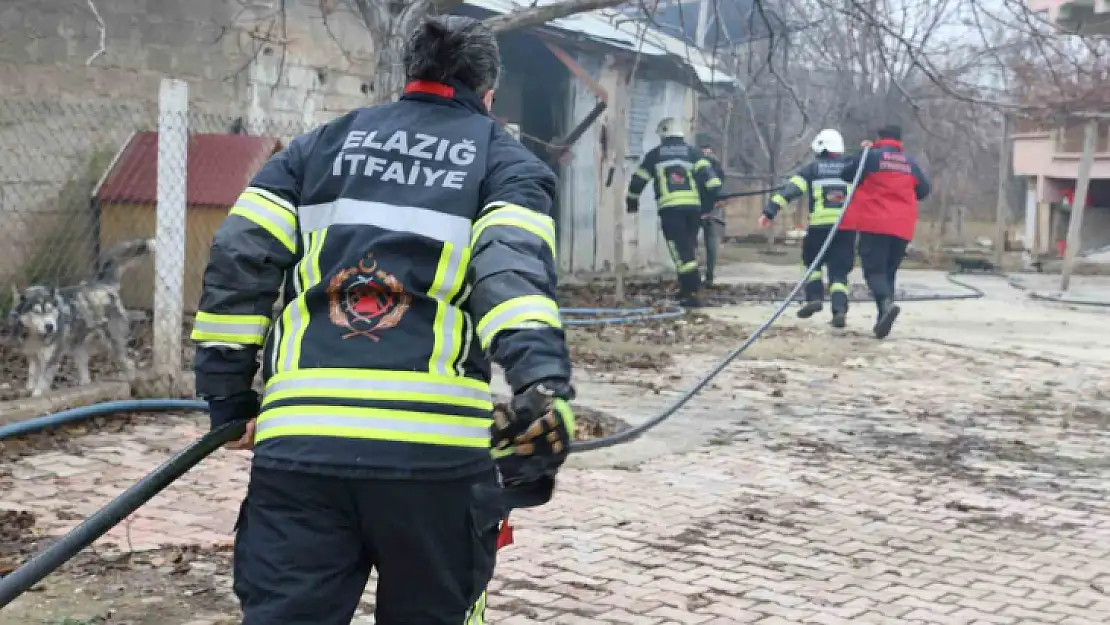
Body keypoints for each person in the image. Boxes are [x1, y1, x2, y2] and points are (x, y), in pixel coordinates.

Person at [190, 15, 576, 625]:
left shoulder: (314, 148)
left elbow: (240, 259)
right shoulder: (505, 162)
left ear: (409, 74)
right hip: (437, 465)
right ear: (489, 92)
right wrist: (542, 385)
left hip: (302, 451)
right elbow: (513, 276)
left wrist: (228, 399)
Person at [838, 124, 931, 339]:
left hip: (875, 224)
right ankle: (883, 318)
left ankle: (887, 305)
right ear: (900, 142)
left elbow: (846, 174)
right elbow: (923, 191)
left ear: (879, 138)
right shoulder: (910, 164)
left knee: (874, 271)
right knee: (889, 272)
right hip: (902, 228)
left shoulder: (871, 157)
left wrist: (862, 152)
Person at [759, 129, 857, 328]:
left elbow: (790, 191)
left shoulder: (812, 169)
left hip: (819, 227)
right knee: (839, 272)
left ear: (820, 148)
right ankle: (839, 310)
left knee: (811, 264)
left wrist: (770, 211)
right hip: (845, 228)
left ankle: (814, 298)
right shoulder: (852, 168)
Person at [626, 119, 723, 307]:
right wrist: (714, 198)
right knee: (688, 248)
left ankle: (691, 292)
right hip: (693, 210)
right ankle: (688, 289)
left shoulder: (655, 155)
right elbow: (712, 182)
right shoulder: (693, 153)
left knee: (680, 251)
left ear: (663, 135)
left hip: (671, 210)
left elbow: (638, 180)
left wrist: (631, 201)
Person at [697, 139, 726, 287]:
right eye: (702, 148)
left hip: (712, 207)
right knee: (692, 243)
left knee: (711, 243)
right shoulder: (696, 163)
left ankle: (709, 276)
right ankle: (694, 276)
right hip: (696, 205)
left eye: (707, 148)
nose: (705, 151)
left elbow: (722, 182)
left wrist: (720, 200)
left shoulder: (715, 164)